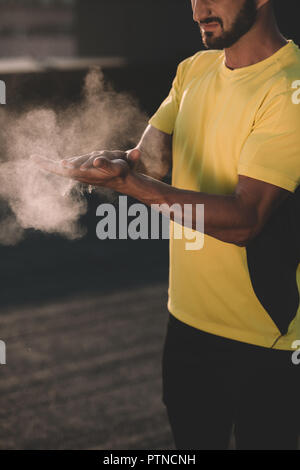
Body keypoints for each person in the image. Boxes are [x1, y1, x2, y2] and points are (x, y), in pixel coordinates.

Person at [34, 0, 300, 450]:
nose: (199, 9)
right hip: (187, 327)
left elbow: (245, 220)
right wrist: (109, 163)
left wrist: (132, 185)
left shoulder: (290, 88)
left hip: (268, 342)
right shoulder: (193, 70)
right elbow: (151, 162)